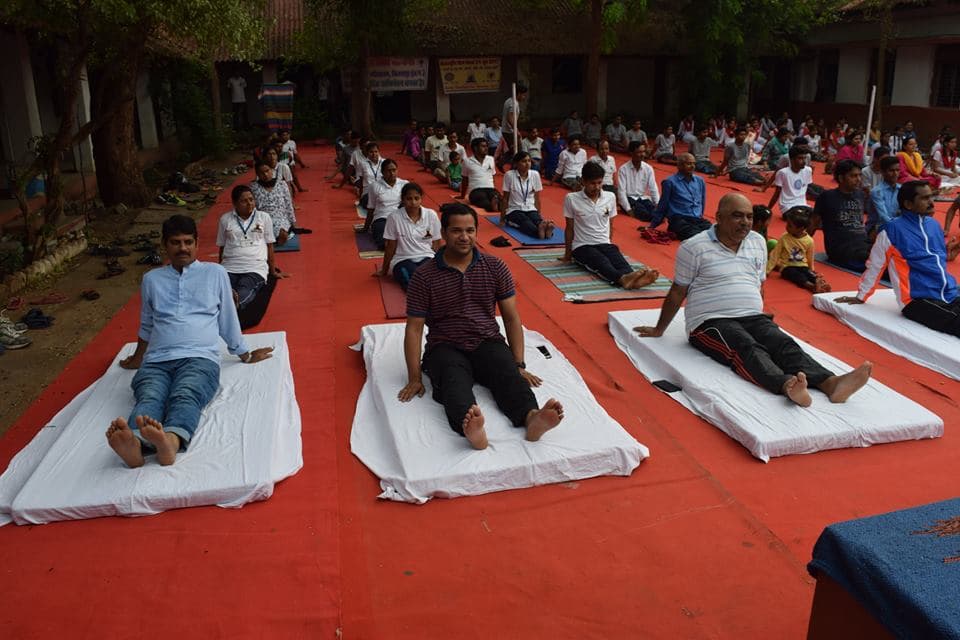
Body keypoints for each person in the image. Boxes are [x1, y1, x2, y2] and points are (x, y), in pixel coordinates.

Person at [634, 193, 872, 407]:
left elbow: (759, 284)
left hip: (752, 315)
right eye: (737, 216)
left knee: (781, 342)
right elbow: (678, 290)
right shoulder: (694, 247)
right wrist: (659, 329)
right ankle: (786, 385)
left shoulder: (757, 242)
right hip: (709, 321)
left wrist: (761, 316)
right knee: (745, 345)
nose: (745, 222)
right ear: (719, 217)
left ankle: (831, 383)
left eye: (749, 216)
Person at [105, 215, 274, 468]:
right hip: (157, 360)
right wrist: (138, 359)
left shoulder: (215, 273)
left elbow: (227, 317)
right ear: (165, 245)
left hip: (199, 358)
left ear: (196, 244)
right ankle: (136, 444)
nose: (182, 248)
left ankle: (170, 441)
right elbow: (147, 324)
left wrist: (244, 353)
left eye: (188, 242)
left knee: (186, 393)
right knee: (149, 395)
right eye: (175, 242)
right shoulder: (152, 280)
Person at [399, 203, 564, 450]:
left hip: (487, 341)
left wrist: (518, 364)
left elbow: (511, 317)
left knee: (508, 375)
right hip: (445, 346)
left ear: (477, 232)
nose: (464, 237)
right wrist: (414, 377)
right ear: (443, 233)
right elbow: (414, 328)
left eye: (470, 230)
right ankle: (472, 431)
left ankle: (531, 418)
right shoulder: (424, 276)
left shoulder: (495, 267)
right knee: (454, 384)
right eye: (456, 231)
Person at [836, 181, 960, 336]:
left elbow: (936, 260)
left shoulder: (934, 225)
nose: (931, 202)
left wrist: (949, 253)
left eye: (931, 197)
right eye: (925, 198)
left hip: (949, 290)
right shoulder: (892, 230)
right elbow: (876, 264)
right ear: (908, 204)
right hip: (917, 299)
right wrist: (862, 295)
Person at [562, 161, 660, 289]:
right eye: (592, 183)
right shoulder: (571, 198)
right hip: (582, 246)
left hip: (604, 242)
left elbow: (610, 224)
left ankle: (633, 279)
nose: (596, 187)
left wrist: (609, 244)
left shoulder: (610, 197)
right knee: (601, 262)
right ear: (583, 182)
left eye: (599, 183)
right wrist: (567, 255)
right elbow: (569, 228)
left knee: (619, 261)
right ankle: (622, 279)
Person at [217, 185, 283, 311]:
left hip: (254, 267)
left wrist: (273, 271)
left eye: (251, 199)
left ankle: (232, 306)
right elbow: (222, 246)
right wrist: (220, 269)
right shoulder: (225, 219)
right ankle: (224, 303)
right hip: (230, 267)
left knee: (245, 289)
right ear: (235, 203)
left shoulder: (263, 217)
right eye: (244, 201)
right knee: (221, 289)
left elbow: (269, 245)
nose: (249, 204)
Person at [377, 182, 441, 290]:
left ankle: (430, 294)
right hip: (402, 259)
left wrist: (438, 261)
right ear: (402, 199)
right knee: (411, 279)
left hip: (427, 256)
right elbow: (390, 246)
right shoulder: (394, 217)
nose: (413, 202)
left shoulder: (431, 215)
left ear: (421, 198)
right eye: (409, 199)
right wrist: (385, 269)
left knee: (434, 277)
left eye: (417, 198)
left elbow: (436, 241)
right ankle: (423, 295)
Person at [809, 159, 870, 271]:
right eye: (854, 176)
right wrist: (801, 246)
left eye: (859, 176)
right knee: (879, 264)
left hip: (863, 243)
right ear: (841, 178)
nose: (858, 180)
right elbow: (813, 224)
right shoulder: (827, 197)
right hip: (842, 249)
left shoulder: (860, 195)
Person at [767, 205, 830, 293]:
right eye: (787, 224)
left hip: (802, 266)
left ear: (800, 228)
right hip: (787, 266)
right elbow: (775, 254)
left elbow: (810, 257)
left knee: (809, 274)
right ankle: (811, 286)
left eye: (790, 226)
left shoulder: (809, 241)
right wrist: (767, 270)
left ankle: (819, 283)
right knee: (795, 275)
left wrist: (811, 270)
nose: (786, 227)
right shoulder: (784, 238)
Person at [650, 153, 709, 240]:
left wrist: (700, 217)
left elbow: (702, 201)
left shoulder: (700, 181)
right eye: (689, 163)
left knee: (715, 232)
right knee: (696, 236)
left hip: (696, 219)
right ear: (679, 165)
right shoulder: (669, 182)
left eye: (694, 163)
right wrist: (652, 225)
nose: (692, 166)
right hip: (679, 219)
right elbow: (663, 205)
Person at [501, 151, 552, 239]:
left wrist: (538, 214)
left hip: (530, 208)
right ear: (516, 163)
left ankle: (544, 230)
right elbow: (505, 198)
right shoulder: (509, 175)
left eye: (529, 161)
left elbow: (537, 198)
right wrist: (502, 218)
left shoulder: (535, 174)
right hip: (514, 209)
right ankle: (543, 233)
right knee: (525, 222)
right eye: (524, 161)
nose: (527, 163)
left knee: (537, 220)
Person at [361, 158, 407, 250]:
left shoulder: (404, 184)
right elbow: (371, 208)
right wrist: (366, 228)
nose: (392, 173)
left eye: (394, 170)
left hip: (400, 217)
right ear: (382, 172)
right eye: (388, 171)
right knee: (384, 244)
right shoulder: (375, 186)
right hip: (382, 218)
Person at [250, 160, 296, 246]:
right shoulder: (253, 187)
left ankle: (277, 238)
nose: (265, 175)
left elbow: (288, 204)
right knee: (257, 231)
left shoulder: (282, 184)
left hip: (280, 217)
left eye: (267, 171)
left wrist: (293, 222)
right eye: (261, 173)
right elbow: (252, 207)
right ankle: (272, 239)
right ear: (257, 174)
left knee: (281, 230)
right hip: (262, 217)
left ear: (272, 170)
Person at [616, 141, 659, 220]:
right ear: (631, 153)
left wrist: (658, 204)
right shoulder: (623, 169)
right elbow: (621, 192)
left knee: (656, 212)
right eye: (639, 152)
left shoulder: (648, 168)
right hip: (629, 199)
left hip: (643, 198)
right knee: (643, 213)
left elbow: (653, 188)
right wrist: (628, 209)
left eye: (643, 152)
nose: (642, 154)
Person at [768, 146, 813, 216]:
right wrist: (768, 209)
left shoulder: (808, 170)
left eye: (805, 158)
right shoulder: (782, 173)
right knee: (800, 216)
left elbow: (806, 189)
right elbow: (776, 194)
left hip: (803, 205)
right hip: (788, 207)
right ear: (791, 160)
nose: (804, 161)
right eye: (800, 158)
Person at [459, 138, 500, 211]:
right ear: (475, 148)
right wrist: (462, 196)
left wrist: (494, 190)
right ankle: (492, 206)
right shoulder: (467, 161)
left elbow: (493, 176)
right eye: (483, 146)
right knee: (482, 199)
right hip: (475, 190)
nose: (486, 148)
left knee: (498, 198)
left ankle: (496, 205)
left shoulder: (491, 159)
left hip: (490, 189)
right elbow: (465, 180)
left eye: (486, 146)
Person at [868, 156, 902, 230]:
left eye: (897, 170)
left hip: (896, 225)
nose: (895, 173)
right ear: (882, 172)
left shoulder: (901, 189)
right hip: (878, 227)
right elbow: (884, 217)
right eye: (891, 170)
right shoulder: (876, 192)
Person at [501, 84, 527, 158]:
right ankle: (503, 163)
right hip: (509, 131)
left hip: (508, 131)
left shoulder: (510, 101)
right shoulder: (513, 103)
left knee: (514, 151)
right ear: (519, 94)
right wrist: (516, 130)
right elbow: (510, 118)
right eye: (523, 95)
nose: (524, 97)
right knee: (519, 152)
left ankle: (501, 162)